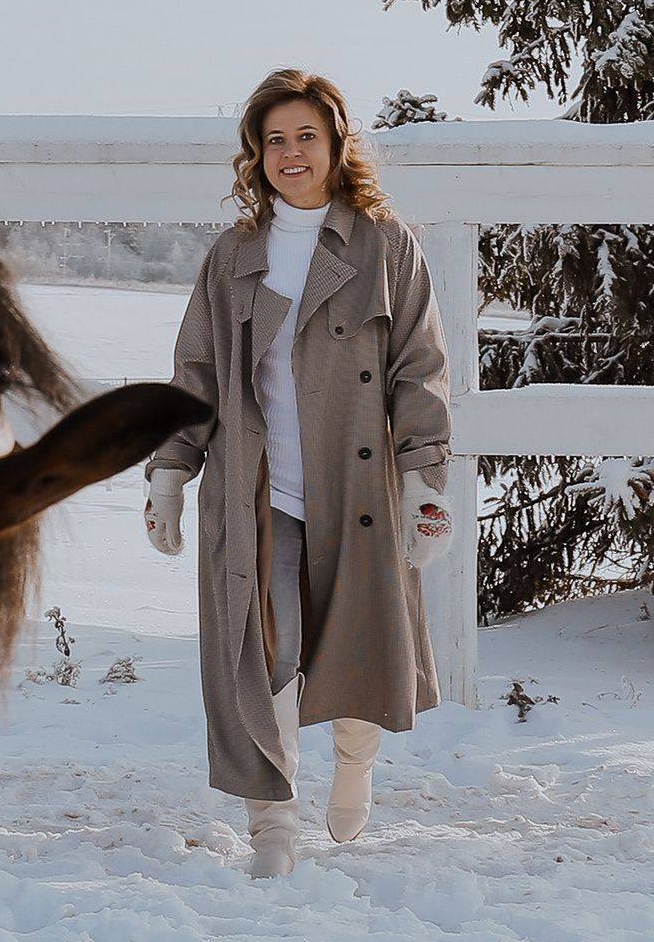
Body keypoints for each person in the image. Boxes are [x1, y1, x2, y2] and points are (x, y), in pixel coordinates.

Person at [144, 69, 455, 876]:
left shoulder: (385, 246)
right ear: (257, 152)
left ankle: (355, 766)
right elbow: (196, 375)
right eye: (275, 137)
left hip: (356, 492)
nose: (291, 151)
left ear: (336, 144)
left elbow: (419, 372)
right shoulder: (234, 255)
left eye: (305, 135)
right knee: (263, 654)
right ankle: (272, 828)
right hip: (256, 491)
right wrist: (170, 475)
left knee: (357, 646)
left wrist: (424, 482)